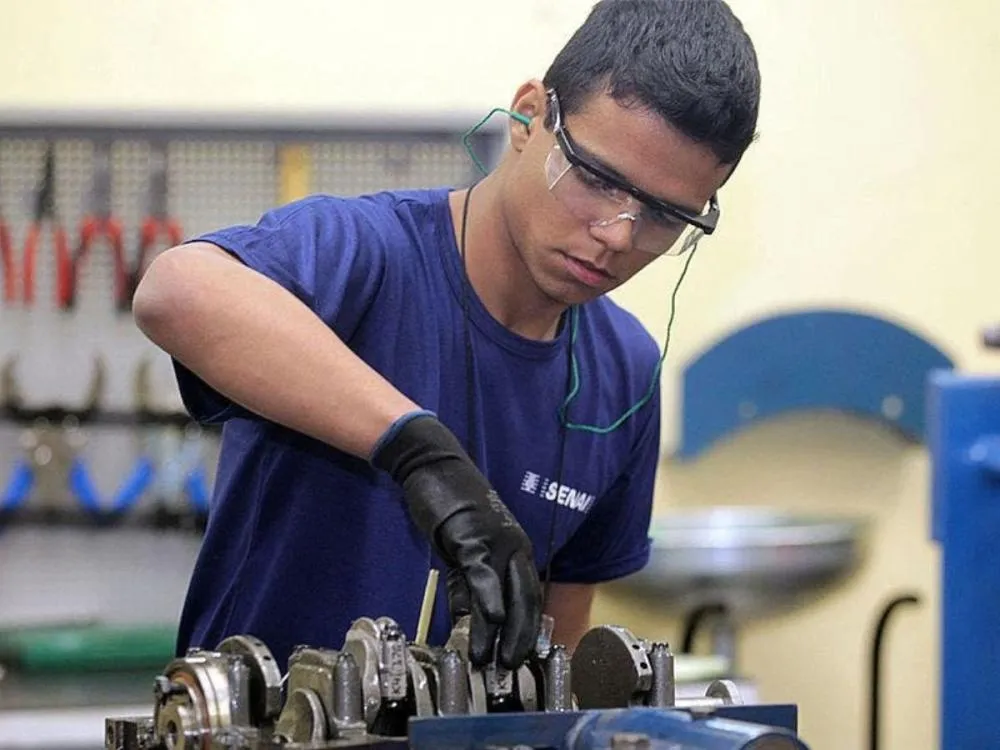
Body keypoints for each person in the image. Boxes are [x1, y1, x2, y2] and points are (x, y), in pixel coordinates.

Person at [133, 0, 761, 675]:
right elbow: (179, 291)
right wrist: (418, 452)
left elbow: (561, 645)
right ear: (528, 116)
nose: (617, 235)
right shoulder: (367, 257)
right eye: (597, 178)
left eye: (663, 215)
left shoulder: (625, 374)